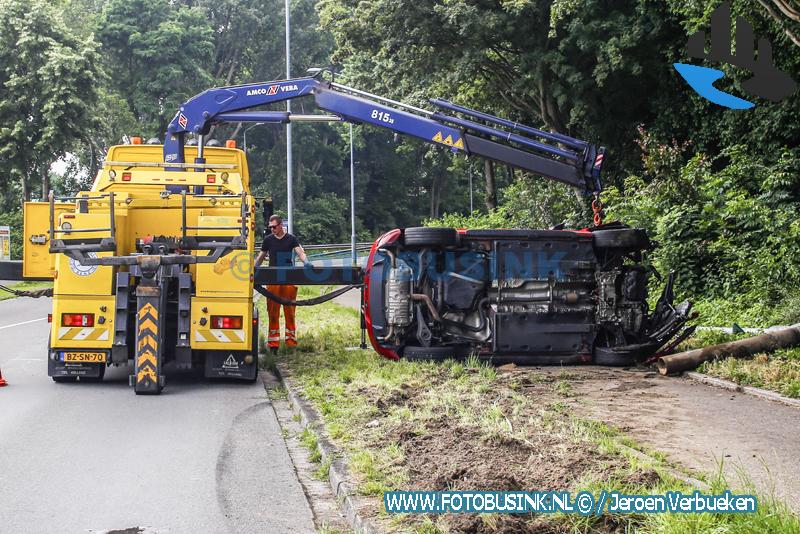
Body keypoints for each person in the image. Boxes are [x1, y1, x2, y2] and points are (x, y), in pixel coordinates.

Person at [254, 215, 310, 354]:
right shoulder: (268, 240)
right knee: (273, 312)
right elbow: (261, 256)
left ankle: (291, 342)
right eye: (270, 227)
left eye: (274, 226)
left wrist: (306, 263)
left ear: (280, 225)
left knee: (290, 311)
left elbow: (299, 252)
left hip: (288, 279)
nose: (272, 229)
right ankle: (273, 344)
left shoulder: (291, 239)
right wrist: (253, 268)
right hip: (273, 280)